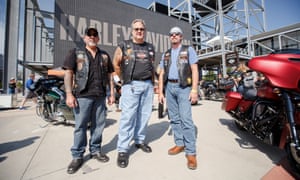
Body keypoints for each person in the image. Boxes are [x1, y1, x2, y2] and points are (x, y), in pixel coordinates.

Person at [63, 27, 115, 174]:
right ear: (85, 38)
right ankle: (77, 156)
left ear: (98, 38)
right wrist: (69, 94)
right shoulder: (75, 52)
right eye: (89, 35)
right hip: (82, 96)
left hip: (100, 96)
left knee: (99, 126)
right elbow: (68, 73)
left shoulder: (104, 55)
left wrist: (111, 94)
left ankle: (96, 150)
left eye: (95, 35)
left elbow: (110, 75)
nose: (92, 37)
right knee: (80, 126)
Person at [112, 19, 155, 168]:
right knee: (128, 117)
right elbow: (116, 63)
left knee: (144, 115)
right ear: (132, 31)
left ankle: (139, 140)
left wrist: (153, 83)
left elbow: (151, 66)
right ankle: (123, 149)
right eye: (136, 29)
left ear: (145, 31)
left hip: (148, 85)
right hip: (131, 85)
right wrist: (122, 80)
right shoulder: (124, 45)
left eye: (142, 29)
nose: (139, 31)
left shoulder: (150, 47)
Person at [158, 26, 199, 170]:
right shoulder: (166, 54)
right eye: (171, 34)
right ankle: (180, 144)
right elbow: (162, 73)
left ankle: (191, 152)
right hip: (170, 88)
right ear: (169, 37)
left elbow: (194, 69)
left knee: (186, 119)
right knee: (174, 119)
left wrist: (194, 89)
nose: (174, 36)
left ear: (181, 37)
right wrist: (161, 92)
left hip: (184, 88)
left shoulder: (188, 50)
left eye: (177, 34)